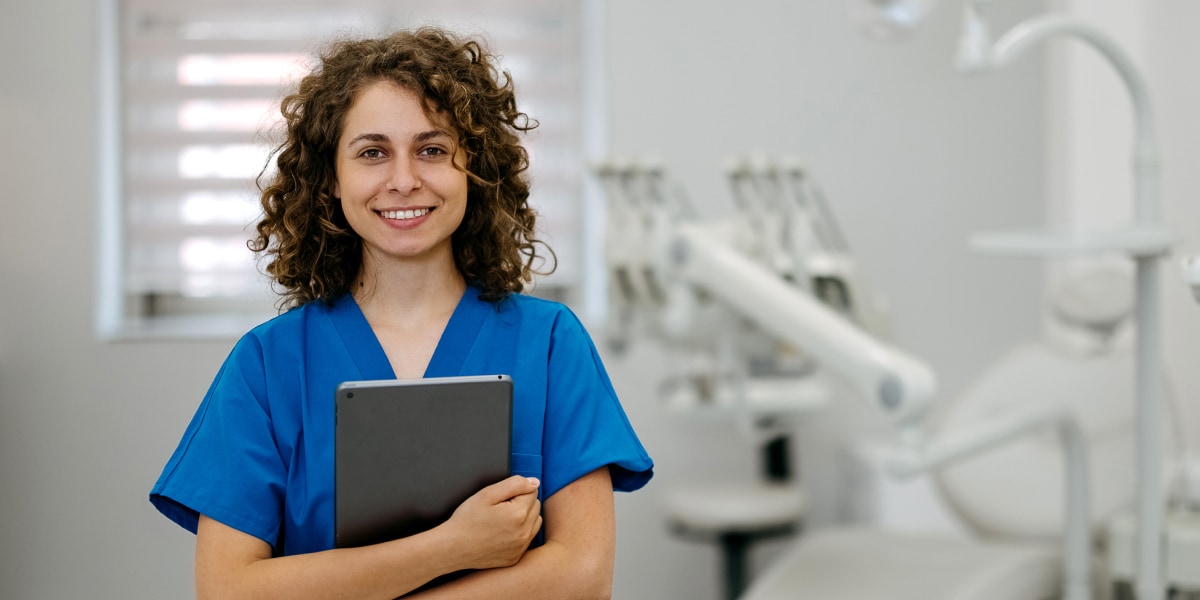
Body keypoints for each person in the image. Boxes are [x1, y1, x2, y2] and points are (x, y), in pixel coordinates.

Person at [149, 26, 654, 599]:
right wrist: (453, 547)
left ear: (474, 169)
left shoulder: (550, 343)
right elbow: (227, 590)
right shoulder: (267, 365)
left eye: (432, 149)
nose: (405, 180)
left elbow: (583, 578)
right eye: (372, 153)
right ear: (332, 182)